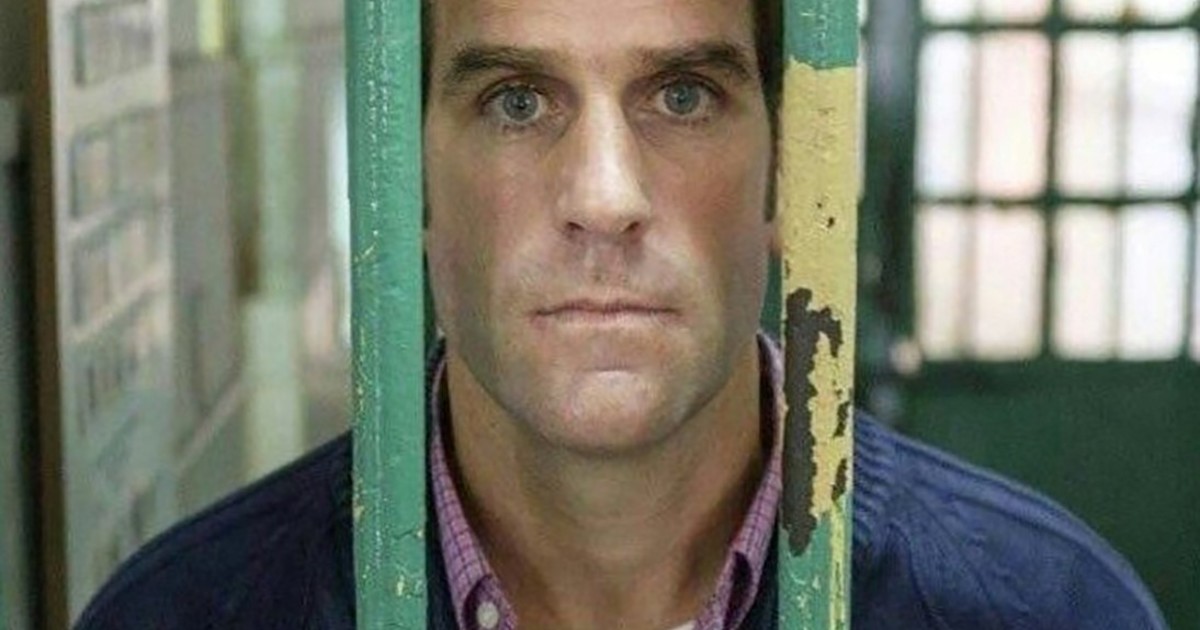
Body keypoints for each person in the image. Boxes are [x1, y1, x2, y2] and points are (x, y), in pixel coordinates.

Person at [78, 0, 1166, 628]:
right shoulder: (187, 615)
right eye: (515, 101)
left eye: (683, 96)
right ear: (406, 181)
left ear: (791, 170)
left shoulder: (1047, 611)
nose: (605, 198)